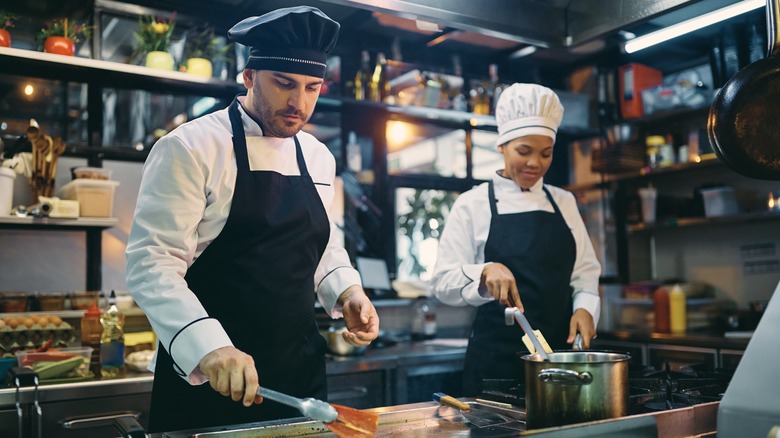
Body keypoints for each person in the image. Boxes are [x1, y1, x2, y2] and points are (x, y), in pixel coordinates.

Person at [125, 6, 379, 433]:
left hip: (299, 379)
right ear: (248, 77)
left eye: (312, 88)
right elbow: (152, 263)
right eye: (284, 84)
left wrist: (347, 291)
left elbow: (321, 246)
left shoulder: (318, 156)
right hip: (213, 378)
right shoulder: (190, 147)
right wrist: (207, 347)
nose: (299, 103)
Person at [430, 83, 601, 396]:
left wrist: (585, 309)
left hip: (561, 361)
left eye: (545, 153)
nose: (535, 163)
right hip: (496, 368)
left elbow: (585, 272)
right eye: (524, 151)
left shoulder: (563, 201)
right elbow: (441, 282)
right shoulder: (473, 203)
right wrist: (483, 271)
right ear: (502, 146)